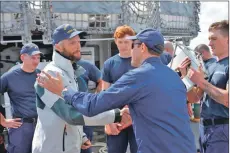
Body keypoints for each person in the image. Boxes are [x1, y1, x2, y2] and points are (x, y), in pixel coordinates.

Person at [37, 28, 197, 153]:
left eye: (133, 45)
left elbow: (92, 106)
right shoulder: (173, 76)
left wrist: (64, 90)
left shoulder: (139, 76)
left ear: (141, 47)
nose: (129, 51)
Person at [32, 24, 131, 153]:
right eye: (72, 43)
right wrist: (116, 115)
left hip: (68, 146)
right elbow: (72, 114)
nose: (78, 46)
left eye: (78, 41)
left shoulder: (71, 72)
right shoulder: (50, 75)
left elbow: (74, 109)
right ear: (57, 46)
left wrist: (81, 136)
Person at [181, 20, 229, 153]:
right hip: (205, 128)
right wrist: (186, 78)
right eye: (209, 39)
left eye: (214, 38)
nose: (209, 43)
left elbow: (227, 100)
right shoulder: (211, 66)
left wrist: (201, 82)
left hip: (223, 129)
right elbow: (194, 98)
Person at [0, 43, 42, 153]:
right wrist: (3, 121)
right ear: (23, 57)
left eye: (38, 57)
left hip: (41, 126)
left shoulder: (41, 76)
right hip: (21, 128)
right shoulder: (9, 77)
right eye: (33, 57)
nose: (36, 61)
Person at [101, 25, 137, 153]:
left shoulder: (141, 62)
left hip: (138, 117)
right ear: (115, 41)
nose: (123, 45)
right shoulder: (109, 64)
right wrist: (108, 121)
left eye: (126, 42)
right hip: (116, 117)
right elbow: (105, 93)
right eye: (120, 42)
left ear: (133, 41)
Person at [76, 59, 102, 153]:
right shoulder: (56, 68)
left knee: (86, 146)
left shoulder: (86, 65)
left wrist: (94, 99)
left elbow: (101, 81)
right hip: (66, 111)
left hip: (84, 111)